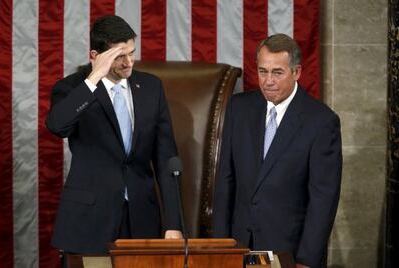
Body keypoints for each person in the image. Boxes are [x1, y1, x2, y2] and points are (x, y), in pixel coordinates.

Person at [46, 15, 182, 254]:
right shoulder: (71, 88)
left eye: (132, 53)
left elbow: (165, 157)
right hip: (90, 219)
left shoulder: (151, 87)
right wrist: (92, 80)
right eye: (119, 56)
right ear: (95, 56)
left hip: (141, 218)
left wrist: (173, 223)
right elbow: (57, 126)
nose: (129, 62)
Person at [212, 33, 342, 268]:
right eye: (263, 71)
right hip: (240, 247)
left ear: (297, 72)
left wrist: (306, 260)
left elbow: (323, 200)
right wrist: (220, 246)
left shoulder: (321, 122)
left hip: (287, 253)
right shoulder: (239, 109)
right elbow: (225, 182)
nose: (268, 81)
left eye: (277, 72)